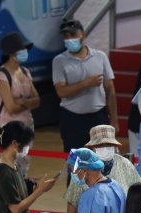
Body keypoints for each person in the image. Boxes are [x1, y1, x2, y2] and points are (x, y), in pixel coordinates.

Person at [53, 18, 117, 152]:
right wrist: (85, 83)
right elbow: (61, 92)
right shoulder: (59, 61)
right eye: (66, 36)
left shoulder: (100, 57)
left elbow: (110, 90)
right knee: (76, 164)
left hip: (99, 117)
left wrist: (114, 119)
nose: (69, 39)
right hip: (72, 119)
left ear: (83, 35)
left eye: (73, 35)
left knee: (104, 160)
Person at [64, 125, 141, 213]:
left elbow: (139, 193)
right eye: (100, 145)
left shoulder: (124, 164)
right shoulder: (82, 167)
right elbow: (72, 205)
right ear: (92, 147)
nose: (105, 148)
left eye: (109, 144)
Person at [0, 32, 38, 177]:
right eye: (20, 49)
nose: (24, 52)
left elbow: (37, 100)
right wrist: (28, 103)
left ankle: (21, 194)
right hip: (9, 130)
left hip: (26, 127)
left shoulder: (25, 72)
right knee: (11, 167)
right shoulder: (2, 75)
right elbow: (11, 108)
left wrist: (22, 101)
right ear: (12, 53)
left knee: (24, 166)